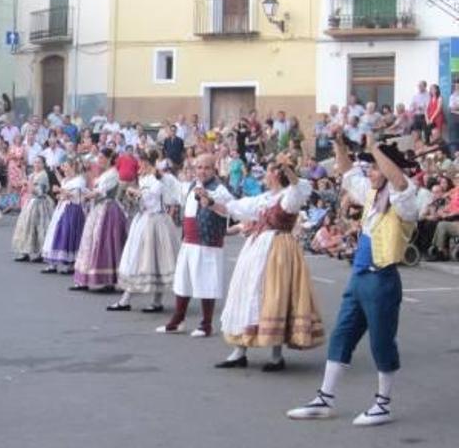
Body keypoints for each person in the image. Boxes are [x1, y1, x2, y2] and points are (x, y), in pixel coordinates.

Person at [287, 133, 418, 427]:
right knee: (341, 336)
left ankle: (383, 404)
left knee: (382, 343)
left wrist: (374, 147)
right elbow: (347, 172)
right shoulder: (373, 194)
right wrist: (338, 143)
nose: (369, 172)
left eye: (374, 168)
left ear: (387, 169)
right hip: (359, 278)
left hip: (382, 279)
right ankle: (325, 398)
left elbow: (399, 184)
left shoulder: (404, 199)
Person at [211, 154, 324, 371]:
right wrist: (209, 203)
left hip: (278, 248)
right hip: (255, 249)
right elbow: (234, 208)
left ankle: (276, 355)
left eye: (270, 170)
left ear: (277, 174)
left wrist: (287, 168)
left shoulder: (289, 196)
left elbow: (298, 187)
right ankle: (239, 351)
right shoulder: (263, 198)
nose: (265, 174)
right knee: (245, 294)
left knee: (274, 296)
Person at [158, 153, 235, 337]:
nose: (202, 171)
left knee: (206, 281)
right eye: (199, 167)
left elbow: (229, 209)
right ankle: (178, 320)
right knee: (183, 280)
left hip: (207, 242)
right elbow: (177, 191)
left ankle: (206, 324)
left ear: (214, 169)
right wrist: (162, 175)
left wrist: (210, 201)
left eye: (206, 167)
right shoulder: (192, 185)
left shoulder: (219, 189)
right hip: (190, 241)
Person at [108, 150, 181, 313]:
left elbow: (151, 198)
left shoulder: (159, 178)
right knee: (136, 258)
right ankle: (125, 299)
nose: (139, 165)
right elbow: (142, 201)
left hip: (156, 220)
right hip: (143, 220)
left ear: (148, 162)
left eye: (142, 161)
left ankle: (155, 301)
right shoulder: (143, 178)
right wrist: (132, 196)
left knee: (155, 260)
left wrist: (135, 193)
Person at [71, 148, 128, 292]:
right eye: (99, 158)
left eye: (102, 158)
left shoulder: (113, 174)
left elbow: (100, 192)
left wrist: (87, 195)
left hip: (108, 210)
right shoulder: (105, 174)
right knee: (90, 241)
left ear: (109, 159)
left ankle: (107, 280)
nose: (99, 160)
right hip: (98, 209)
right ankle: (85, 279)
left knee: (105, 242)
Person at [41, 158, 87, 275]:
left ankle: (70, 264)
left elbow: (75, 195)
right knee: (55, 233)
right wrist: (60, 194)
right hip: (62, 208)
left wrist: (60, 190)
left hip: (72, 209)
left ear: (73, 167)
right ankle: (53, 263)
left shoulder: (79, 180)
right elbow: (64, 189)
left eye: (66, 166)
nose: (64, 169)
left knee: (68, 234)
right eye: (63, 167)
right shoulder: (66, 179)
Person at [11, 157, 54, 261]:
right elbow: (26, 186)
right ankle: (25, 251)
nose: (36, 164)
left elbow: (39, 192)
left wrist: (28, 184)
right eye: (35, 162)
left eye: (39, 162)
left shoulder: (43, 175)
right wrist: (24, 184)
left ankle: (40, 253)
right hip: (31, 201)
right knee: (26, 226)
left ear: (43, 164)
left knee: (40, 227)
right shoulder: (33, 174)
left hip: (40, 203)